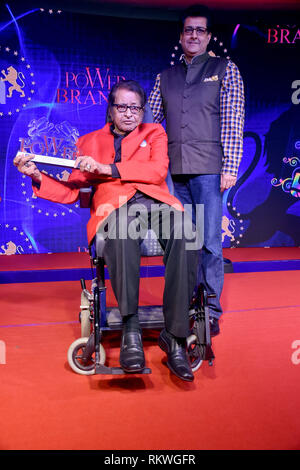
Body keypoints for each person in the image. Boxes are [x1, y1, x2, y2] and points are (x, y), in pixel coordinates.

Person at [13, 80, 199, 382]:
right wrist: (36, 175)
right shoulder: (88, 141)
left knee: (186, 231)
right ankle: (131, 329)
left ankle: (175, 336)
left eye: (135, 108)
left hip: (156, 203)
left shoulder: (155, 133)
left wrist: (106, 169)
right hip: (114, 208)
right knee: (121, 230)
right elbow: (72, 191)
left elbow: (156, 172)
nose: (128, 113)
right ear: (110, 109)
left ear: (143, 111)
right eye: (121, 107)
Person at [148, 4, 245, 336]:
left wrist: (230, 167)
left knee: (210, 243)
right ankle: (188, 302)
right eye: (188, 30)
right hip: (174, 171)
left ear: (208, 36)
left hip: (209, 169)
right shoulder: (166, 76)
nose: (193, 35)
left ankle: (211, 309)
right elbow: (149, 123)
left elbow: (233, 122)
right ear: (181, 35)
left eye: (199, 30)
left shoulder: (225, 69)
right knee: (182, 241)